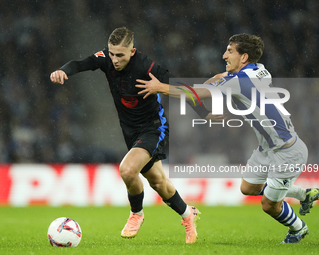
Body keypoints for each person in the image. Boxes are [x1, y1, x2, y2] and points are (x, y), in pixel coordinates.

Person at [136, 33, 319, 243]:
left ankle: (298, 228)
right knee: (248, 188)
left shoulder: (238, 82)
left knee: (269, 205)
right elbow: (226, 82)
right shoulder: (260, 70)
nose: (224, 55)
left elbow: (197, 93)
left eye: (230, 51)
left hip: (287, 151)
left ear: (244, 57)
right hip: (266, 149)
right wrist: (219, 79)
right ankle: (305, 195)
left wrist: (160, 87)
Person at [50, 27, 223, 243]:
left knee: (128, 170)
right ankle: (189, 214)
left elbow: (180, 87)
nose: (114, 59)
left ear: (132, 52)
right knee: (158, 182)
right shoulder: (106, 58)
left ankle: (136, 214)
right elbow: (80, 63)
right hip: (130, 132)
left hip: (153, 128)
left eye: (120, 55)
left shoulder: (146, 66)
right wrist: (63, 70)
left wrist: (204, 113)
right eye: (112, 53)